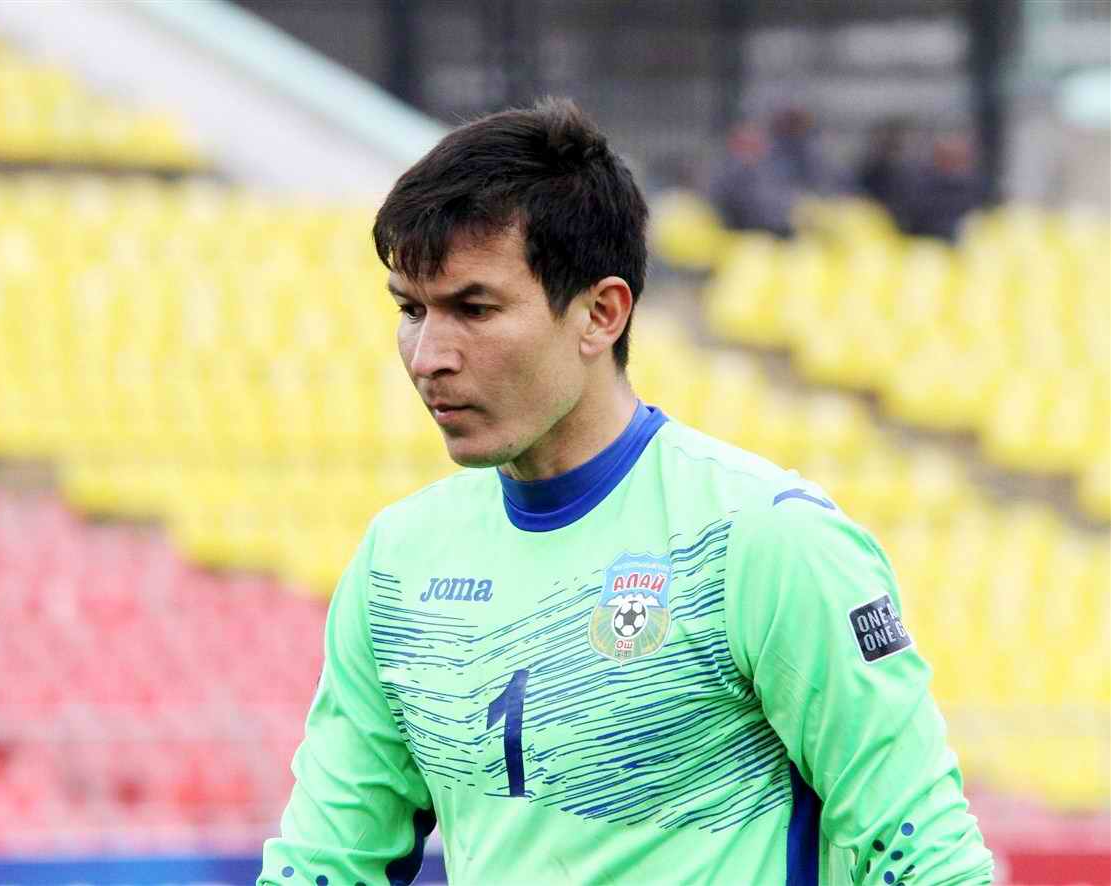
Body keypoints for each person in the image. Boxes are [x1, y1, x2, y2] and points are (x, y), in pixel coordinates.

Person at [259, 98, 993, 885]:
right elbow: (321, 864)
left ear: (600, 314)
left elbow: (926, 857)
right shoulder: (397, 563)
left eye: (473, 308)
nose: (427, 355)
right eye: (411, 310)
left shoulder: (762, 541)